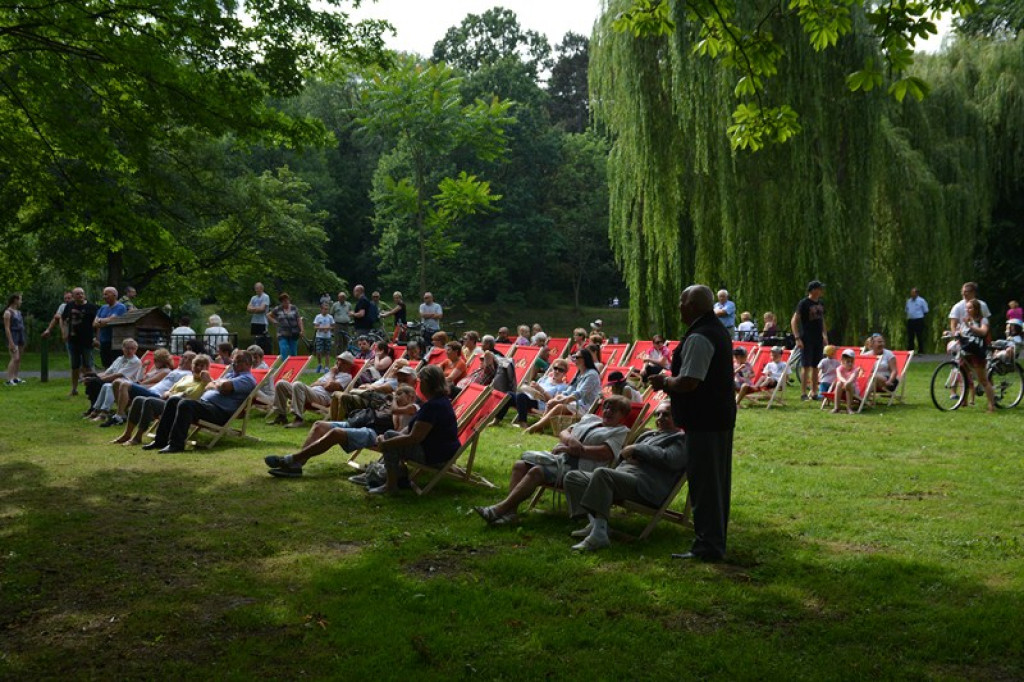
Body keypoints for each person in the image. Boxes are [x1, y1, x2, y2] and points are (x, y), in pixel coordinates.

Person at [649, 284, 736, 562]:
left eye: (682, 301)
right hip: (716, 417)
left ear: (693, 306)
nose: (678, 306)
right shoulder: (715, 330)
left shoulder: (700, 336)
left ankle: (708, 546)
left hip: (705, 420)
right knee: (715, 482)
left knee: (706, 484)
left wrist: (663, 381)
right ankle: (712, 541)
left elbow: (689, 382)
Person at [473, 395, 633, 527]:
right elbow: (564, 432)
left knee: (537, 471)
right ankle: (511, 513)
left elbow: (605, 453)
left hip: (580, 470)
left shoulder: (620, 431)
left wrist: (574, 450)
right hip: (560, 460)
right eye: (606, 407)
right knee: (519, 465)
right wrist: (571, 441)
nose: (608, 411)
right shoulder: (590, 418)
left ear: (623, 415)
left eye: (614, 409)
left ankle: (499, 509)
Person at [564, 402, 686, 551]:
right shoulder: (648, 434)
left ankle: (599, 536)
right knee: (574, 477)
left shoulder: (681, 439)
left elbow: (670, 459)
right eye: (657, 414)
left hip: (646, 486)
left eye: (666, 414)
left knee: (603, 474)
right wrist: (630, 454)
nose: (660, 418)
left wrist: (637, 448)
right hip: (624, 477)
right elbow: (623, 454)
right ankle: (596, 525)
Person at [263, 379, 423, 479]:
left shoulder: (414, 408)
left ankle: (292, 459)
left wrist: (393, 401)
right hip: (363, 423)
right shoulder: (396, 405)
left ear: (411, 396)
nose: (396, 395)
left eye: (400, 394)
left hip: (375, 433)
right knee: (319, 425)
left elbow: (396, 427)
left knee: (335, 433)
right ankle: (296, 466)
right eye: (397, 393)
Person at [142, 350, 257, 453]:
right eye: (233, 361)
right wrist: (217, 385)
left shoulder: (247, 379)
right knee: (173, 400)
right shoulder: (231, 374)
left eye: (236, 362)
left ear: (247, 364)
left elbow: (223, 386)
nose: (233, 364)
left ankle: (176, 444)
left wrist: (216, 384)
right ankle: (160, 441)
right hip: (206, 405)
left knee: (185, 404)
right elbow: (209, 386)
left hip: (219, 412)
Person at [111, 353, 211, 445]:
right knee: (138, 399)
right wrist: (171, 393)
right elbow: (168, 392)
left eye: (202, 366)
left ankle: (137, 437)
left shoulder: (206, 382)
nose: (198, 367)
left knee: (149, 401)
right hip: (167, 401)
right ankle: (127, 434)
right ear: (192, 366)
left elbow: (194, 395)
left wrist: (206, 381)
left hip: (179, 408)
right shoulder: (186, 378)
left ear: (207, 368)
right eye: (196, 364)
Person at [524, 347, 603, 435]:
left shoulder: (592, 374)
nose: (574, 359)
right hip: (576, 403)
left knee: (559, 407)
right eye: (574, 356)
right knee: (552, 401)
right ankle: (540, 427)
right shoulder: (580, 372)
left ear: (584, 360)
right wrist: (558, 397)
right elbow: (570, 389)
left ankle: (535, 427)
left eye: (576, 357)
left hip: (586, 406)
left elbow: (579, 394)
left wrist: (561, 400)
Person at [268, 352, 356, 428]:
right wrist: (325, 382)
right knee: (281, 383)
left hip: (322, 397)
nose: (338, 363)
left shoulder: (346, 376)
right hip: (311, 392)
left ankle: (298, 418)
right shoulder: (332, 372)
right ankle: (281, 416)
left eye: (341, 361)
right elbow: (314, 383)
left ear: (348, 365)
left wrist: (332, 375)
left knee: (298, 384)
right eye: (338, 360)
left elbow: (329, 387)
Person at [104, 349, 186, 427]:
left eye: (157, 360)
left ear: (163, 361)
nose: (154, 361)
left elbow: (147, 382)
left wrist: (137, 383)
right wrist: (143, 367)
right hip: (143, 386)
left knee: (124, 384)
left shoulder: (166, 371)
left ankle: (119, 416)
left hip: (150, 391)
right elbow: (140, 378)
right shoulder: (155, 368)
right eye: (155, 359)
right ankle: (122, 412)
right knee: (116, 382)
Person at [82, 338, 144, 419]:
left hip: (128, 385)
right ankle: (95, 409)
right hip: (115, 381)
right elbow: (107, 372)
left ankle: (104, 412)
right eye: (127, 348)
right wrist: (94, 377)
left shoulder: (135, 361)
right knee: (93, 379)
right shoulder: (119, 359)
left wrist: (97, 379)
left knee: (106, 385)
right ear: (123, 348)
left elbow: (118, 375)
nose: (130, 351)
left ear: (136, 350)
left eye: (132, 349)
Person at [499, 359, 571, 426]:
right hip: (530, 398)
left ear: (564, 373)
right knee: (509, 395)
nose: (557, 371)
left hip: (541, 405)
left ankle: (523, 423)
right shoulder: (545, 379)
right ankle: (497, 419)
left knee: (521, 396)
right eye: (555, 368)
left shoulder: (563, 387)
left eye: (561, 370)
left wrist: (541, 389)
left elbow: (554, 402)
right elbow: (534, 389)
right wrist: (531, 387)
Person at [791, 280, 828, 400]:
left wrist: (824, 335)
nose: (821, 291)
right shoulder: (804, 303)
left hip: (818, 338)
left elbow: (822, 320)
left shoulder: (821, 303)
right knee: (806, 365)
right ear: (813, 290)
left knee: (816, 366)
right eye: (819, 288)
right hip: (806, 337)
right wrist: (797, 338)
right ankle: (803, 393)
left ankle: (814, 392)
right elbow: (794, 320)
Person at [957, 299, 996, 412]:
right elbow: (962, 333)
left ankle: (991, 406)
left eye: (970, 308)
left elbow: (983, 332)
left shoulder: (983, 320)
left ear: (976, 309)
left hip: (977, 352)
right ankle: (963, 401)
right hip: (966, 351)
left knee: (983, 380)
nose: (967, 310)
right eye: (966, 308)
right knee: (964, 377)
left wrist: (970, 326)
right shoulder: (967, 320)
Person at [62, 287, 99, 396]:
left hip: (87, 340)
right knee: (74, 366)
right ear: (73, 296)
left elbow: (97, 325)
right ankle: (74, 389)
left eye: (82, 293)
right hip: (73, 341)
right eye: (77, 294)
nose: (80, 295)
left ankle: (91, 389)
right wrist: (65, 332)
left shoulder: (91, 307)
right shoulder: (69, 306)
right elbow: (64, 320)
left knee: (88, 365)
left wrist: (97, 338)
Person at [93, 286, 127, 367]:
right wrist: (104, 321)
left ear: (114, 295)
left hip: (115, 341)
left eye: (106, 294)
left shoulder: (120, 307)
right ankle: (106, 380)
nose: (104, 297)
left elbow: (112, 320)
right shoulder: (103, 308)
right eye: (104, 294)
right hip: (103, 340)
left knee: (116, 365)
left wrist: (100, 321)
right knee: (106, 364)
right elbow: (94, 323)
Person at [267, 293, 304, 360]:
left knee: (293, 352)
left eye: (287, 300)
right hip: (282, 333)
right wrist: (274, 321)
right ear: (281, 302)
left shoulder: (294, 308)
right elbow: (268, 315)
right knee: (284, 348)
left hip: (294, 333)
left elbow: (299, 319)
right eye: (284, 301)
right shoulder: (278, 309)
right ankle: (284, 366)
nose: (286, 302)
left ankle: (293, 367)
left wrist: (301, 330)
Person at [4, 294, 26, 386]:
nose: (21, 302)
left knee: (19, 358)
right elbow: (7, 328)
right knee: (14, 358)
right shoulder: (8, 312)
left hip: (21, 335)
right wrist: (11, 342)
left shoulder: (18, 312)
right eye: (20, 300)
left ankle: (15, 378)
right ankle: (9, 380)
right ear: (15, 300)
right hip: (13, 336)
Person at [832, 349, 863, 414]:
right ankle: (836, 407)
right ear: (842, 361)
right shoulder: (839, 368)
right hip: (842, 388)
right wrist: (845, 382)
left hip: (853, 389)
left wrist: (847, 383)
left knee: (850, 385)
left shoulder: (855, 370)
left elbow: (852, 379)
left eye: (852, 361)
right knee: (838, 383)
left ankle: (849, 408)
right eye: (848, 361)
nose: (850, 363)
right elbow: (839, 377)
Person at [904, 287, 929, 353]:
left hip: (919, 320)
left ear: (917, 293)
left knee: (919, 336)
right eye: (911, 293)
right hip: (910, 320)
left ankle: (921, 351)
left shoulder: (921, 301)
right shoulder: (908, 301)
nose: (912, 294)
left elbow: (926, 310)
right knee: (910, 336)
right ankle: (910, 351)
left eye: (913, 293)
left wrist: (921, 317)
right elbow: (906, 310)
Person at [312, 302, 335, 373]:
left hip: (327, 336)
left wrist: (328, 328)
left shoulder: (330, 317)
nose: (326, 310)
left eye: (327, 309)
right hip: (319, 336)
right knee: (319, 351)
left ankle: (327, 367)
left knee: (327, 352)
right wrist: (322, 328)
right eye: (324, 309)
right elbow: (315, 327)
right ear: (321, 309)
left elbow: (333, 326)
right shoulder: (318, 317)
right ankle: (319, 364)